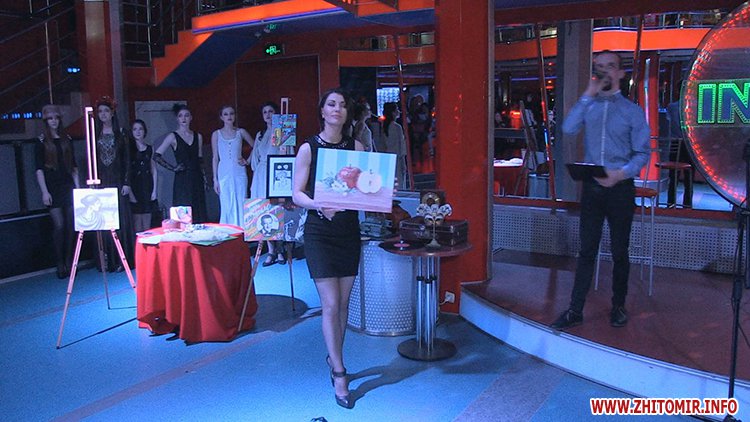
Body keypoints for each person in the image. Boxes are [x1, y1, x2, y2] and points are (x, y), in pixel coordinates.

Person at [551, 50, 650, 330]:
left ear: (620, 73)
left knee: (620, 251)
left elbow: (642, 153)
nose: (604, 71)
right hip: (593, 188)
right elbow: (568, 128)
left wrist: (621, 173)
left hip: (620, 188)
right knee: (586, 251)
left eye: (610, 66)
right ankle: (575, 310)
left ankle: (618, 306)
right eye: (599, 67)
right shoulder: (589, 105)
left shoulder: (632, 111)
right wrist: (587, 95)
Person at [292, 88, 365, 409]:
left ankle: (334, 356)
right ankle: (339, 372)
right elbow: (296, 193)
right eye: (331, 104)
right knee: (331, 304)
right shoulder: (308, 148)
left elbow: (364, 190)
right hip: (320, 232)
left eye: (343, 105)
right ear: (322, 111)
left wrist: (383, 190)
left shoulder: (356, 147)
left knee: (344, 304)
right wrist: (318, 204)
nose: (337, 109)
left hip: (348, 231)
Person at [35, 104, 80, 279]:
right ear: (46, 121)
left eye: (56, 118)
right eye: (50, 119)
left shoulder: (66, 139)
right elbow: (39, 169)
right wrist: (44, 192)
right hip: (52, 186)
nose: (54, 121)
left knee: (70, 225)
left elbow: (74, 166)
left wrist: (78, 189)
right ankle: (60, 262)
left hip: (67, 184)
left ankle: (69, 261)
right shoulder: (41, 141)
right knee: (59, 225)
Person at [94, 96, 134, 272]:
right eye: (100, 111)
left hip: (118, 181)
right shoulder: (95, 134)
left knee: (121, 219)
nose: (103, 114)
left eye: (106, 111)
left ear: (112, 113)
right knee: (105, 220)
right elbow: (92, 160)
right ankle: (109, 260)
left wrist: (127, 182)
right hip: (102, 182)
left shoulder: (122, 133)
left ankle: (122, 260)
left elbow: (127, 159)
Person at [154, 103, 208, 223]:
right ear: (177, 119)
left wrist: (204, 178)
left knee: (198, 209)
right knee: (183, 210)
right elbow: (156, 155)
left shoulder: (198, 136)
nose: (184, 118)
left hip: (196, 177)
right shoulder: (173, 136)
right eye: (180, 116)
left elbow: (200, 159)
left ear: (191, 118)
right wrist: (173, 168)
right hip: (182, 179)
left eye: (186, 115)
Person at [249, 101, 285, 266]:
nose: (268, 115)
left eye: (271, 111)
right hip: (261, 174)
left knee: (276, 209)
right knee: (263, 210)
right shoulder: (260, 134)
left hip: (276, 172)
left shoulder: (280, 131)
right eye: (265, 112)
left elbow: (286, 153)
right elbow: (255, 156)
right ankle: (270, 250)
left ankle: (280, 249)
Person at [211, 105, 254, 227]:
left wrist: (248, 161)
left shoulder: (241, 132)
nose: (229, 116)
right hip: (223, 172)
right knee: (226, 202)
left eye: (231, 113)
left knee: (241, 199)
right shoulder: (216, 134)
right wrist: (215, 179)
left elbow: (256, 146)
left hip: (239, 171)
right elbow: (215, 157)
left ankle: (243, 228)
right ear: (221, 117)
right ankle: (227, 228)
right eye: (226, 114)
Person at [129, 119, 158, 234]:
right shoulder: (129, 149)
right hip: (134, 186)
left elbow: (153, 170)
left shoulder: (150, 148)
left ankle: (147, 243)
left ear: (144, 131)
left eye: (140, 129)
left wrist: (154, 191)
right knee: (137, 223)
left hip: (147, 185)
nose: (138, 132)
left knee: (147, 222)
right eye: (135, 129)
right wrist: (130, 193)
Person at [379, 102, 408, 188]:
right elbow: (401, 146)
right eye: (397, 110)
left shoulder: (383, 127)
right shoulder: (397, 127)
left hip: (387, 158)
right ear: (393, 112)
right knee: (399, 183)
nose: (399, 111)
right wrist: (403, 162)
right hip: (397, 159)